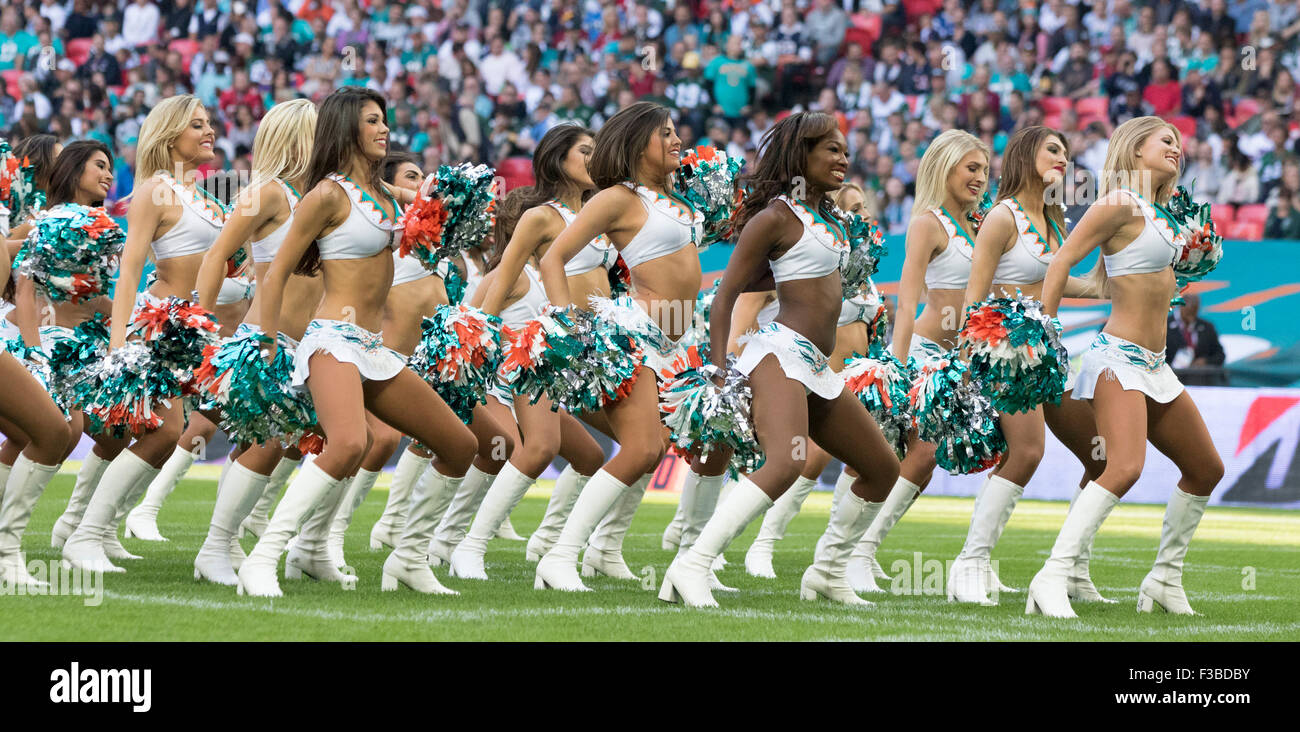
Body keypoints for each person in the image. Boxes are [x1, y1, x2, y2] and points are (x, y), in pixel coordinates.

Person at [240, 87, 477, 597]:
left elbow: (439, 209)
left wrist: (462, 198)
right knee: (349, 442)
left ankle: (409, 559)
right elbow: (277, 272)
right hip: (332, 341)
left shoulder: (386, 196)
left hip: (374, 350)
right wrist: (265, 341)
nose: (384, 129)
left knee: (461, 445)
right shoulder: (327, 194)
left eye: (384, 120)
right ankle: (262, 558)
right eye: (373, 121)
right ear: (348, 128)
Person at [659, 111, 900, 608]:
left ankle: (828, 573)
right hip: (778, 356)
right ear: (801, 155)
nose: (843, 158)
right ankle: (692, 564)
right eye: (830, 149)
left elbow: (795, 277)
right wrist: (720, 365)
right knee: (787, 461)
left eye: (845, 149)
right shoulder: (775, 217)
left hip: (816, 366)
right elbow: (725, 294)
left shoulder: (831, 220)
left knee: (882, 469)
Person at [1031, 116, 1224, 618]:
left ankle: (1164, 579)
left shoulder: (1165, 214)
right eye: (1166, 140)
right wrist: (1044, 335)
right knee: (1124, 467)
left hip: (1156, 366)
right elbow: (1060, 262)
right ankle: (1052, 575)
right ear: (1136, 149)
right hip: (1117, 359)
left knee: (1206, 469)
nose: (1177, 148)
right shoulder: (1119, 202)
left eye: (1179, 142)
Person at [534, 102, 710, 592]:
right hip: (635, 337)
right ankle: (560, 554)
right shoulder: (616, 198)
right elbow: (554, 259)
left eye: (677, 132)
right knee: (639, 449)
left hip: (678, 342)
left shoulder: (677, 199)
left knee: (654, 451)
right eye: (666, 134)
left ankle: (602, 550)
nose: (677, 140)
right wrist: (562, 326)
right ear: (637, 144)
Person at [62, 95, 227, 573]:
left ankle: (85, 525)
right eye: (196, 125)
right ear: (170, 134)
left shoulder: (205, 196)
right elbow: (131, 268)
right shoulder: (156, 189)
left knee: (124, 432)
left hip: (193, 332)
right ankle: (86, 534)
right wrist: (119, 344)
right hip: (158, 326)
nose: (209, 130)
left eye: (209, 122)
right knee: (165, 431)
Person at [952, 125, 1107, 605]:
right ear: (1025, 156)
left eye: (1067, 150)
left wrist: (1120, 286)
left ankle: (1074, 571)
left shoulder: (1056, 222)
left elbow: (1059, 285)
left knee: (1101, 457)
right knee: (1027, 452)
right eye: (1053, 150)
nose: (1064, 157)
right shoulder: (1002, 217)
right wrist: (966, 367)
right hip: (1004, 356)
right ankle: (970, 565)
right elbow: (974, 297)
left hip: (1047, 357)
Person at [447, 126, 610, 580]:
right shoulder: (542, 216)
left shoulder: (600, 214)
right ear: (558, 160)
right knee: (537, 447)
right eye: (585, 152)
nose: (595, 160)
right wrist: (477, 341)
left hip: (588, 355)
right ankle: (469, 545)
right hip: (541, 350)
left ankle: (550, 541)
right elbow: (499, 279)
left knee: (596, 455)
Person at [842, 129, 990, 594]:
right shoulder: (929, 222)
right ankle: (856, 552)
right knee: (919, 452)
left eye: (984, 170)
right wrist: (896, 365)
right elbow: (906, 302)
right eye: (971, 168)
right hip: (924, 353)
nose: (980, 178)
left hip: (958, 361)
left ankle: (862, 548)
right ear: (944, 167)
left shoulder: (979, 224)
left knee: (924, 464)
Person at [188, 98, 320, 586]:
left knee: (261, 447)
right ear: (300, 139)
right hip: (268, 341)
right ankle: (215, 547)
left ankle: (227, 543)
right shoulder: (267, 193)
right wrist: (197, 327)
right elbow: (215, 256)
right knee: (265, 445)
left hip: (305, 345)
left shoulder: (319, 198)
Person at [743, 182, 885, 579]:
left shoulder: (863, 269)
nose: (862, 216)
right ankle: (763, 543)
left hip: (860, 378)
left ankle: (844, 553)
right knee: (807, 458)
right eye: (853, 208)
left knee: (870, 463)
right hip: (816, 373)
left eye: (865, 209)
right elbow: (755, 302)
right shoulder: (821, 257)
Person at [1166, 292, 1226, 385]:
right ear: (1181, 307)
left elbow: (1220, 355)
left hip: (1200, 382)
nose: (1191, 315)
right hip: (1172, 381)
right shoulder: (1164, 326)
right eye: (1188, 311)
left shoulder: (1206, 327)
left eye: (1194, 311)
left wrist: (1205, 361)